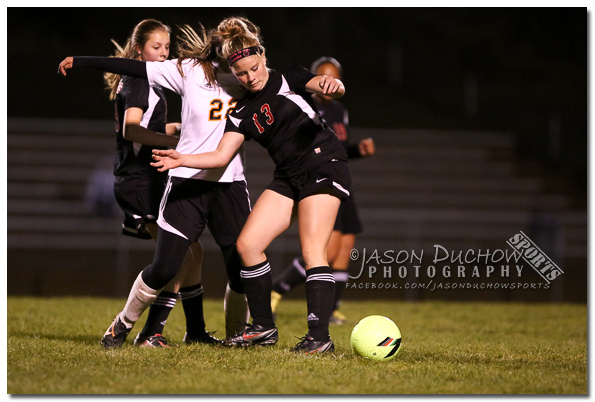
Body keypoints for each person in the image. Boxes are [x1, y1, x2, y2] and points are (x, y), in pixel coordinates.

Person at [151, 17, 351, 354]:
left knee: (312, 249)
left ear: (263, 57)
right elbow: (220, 155)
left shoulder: (288, 77)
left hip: (322, 163)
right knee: (247, 244)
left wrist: (333, 85)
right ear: (233, 72)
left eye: (254, 68)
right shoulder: (241, 110)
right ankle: (262, 328)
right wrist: (181, 158)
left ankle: (319, 338)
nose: (250, 77)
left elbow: (326, 84)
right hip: (287, 175)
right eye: (241, 73)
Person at [58, 20, 254, 348]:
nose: (164, 52)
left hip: (226, 183)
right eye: (156, 46)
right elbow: (132, 87)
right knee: (170, 263)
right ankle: (133, 329)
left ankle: (229, 335)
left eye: (166, 46)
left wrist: (319, 83)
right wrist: (82, 61)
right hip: (169, 179)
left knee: (229, 263)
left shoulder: (253, 76)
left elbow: (291, 85)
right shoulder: (188, 70)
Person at [270, 57, 375, 325]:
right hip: (321, 180)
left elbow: (340, 147)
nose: (328, 82)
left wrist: (358, 150)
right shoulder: (306, 104)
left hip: (341, 177)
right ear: (314, 77)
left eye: (334, 77)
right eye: (323, 76)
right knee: (327, 250)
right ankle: (276, 290)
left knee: (345, 247)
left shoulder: (340, 110)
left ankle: (332, 310)